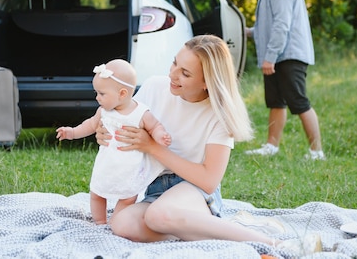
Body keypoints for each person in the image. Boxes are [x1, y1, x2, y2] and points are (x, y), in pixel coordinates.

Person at [95, 35, 322, 255]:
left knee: (158, 215)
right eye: (175, 62)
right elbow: (122, 120)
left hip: (195, 190)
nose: (173, 74)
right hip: (156, 189)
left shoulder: (219, 116)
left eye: (185, 73)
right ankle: (205, 230)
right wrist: (104, 132)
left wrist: (153, 148)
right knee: (121, 223)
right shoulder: (155, 87)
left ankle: (275, 243)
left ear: (206, 82)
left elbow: (208, 180)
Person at [56, 59, 171, 225]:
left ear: (122, 94)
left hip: (129, 167)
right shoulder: (103, 111)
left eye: (102, 94)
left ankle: (117, 220)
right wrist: (72, 132)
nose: (97, 98)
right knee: (97, 194)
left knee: (127, 197)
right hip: (107, 164)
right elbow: (90, 125)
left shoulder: (140, 113)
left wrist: (160, 135)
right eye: (97, 93)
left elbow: (155, 126)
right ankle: (100, 222)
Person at [244, 0, 325, 160]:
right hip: (277, 54)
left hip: (288, 54)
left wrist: (269, 57)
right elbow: (268, 26)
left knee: (299, 102)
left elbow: (282, 23)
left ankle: (316, 152)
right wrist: (247, 32)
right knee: (276, 102)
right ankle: (271, 146)